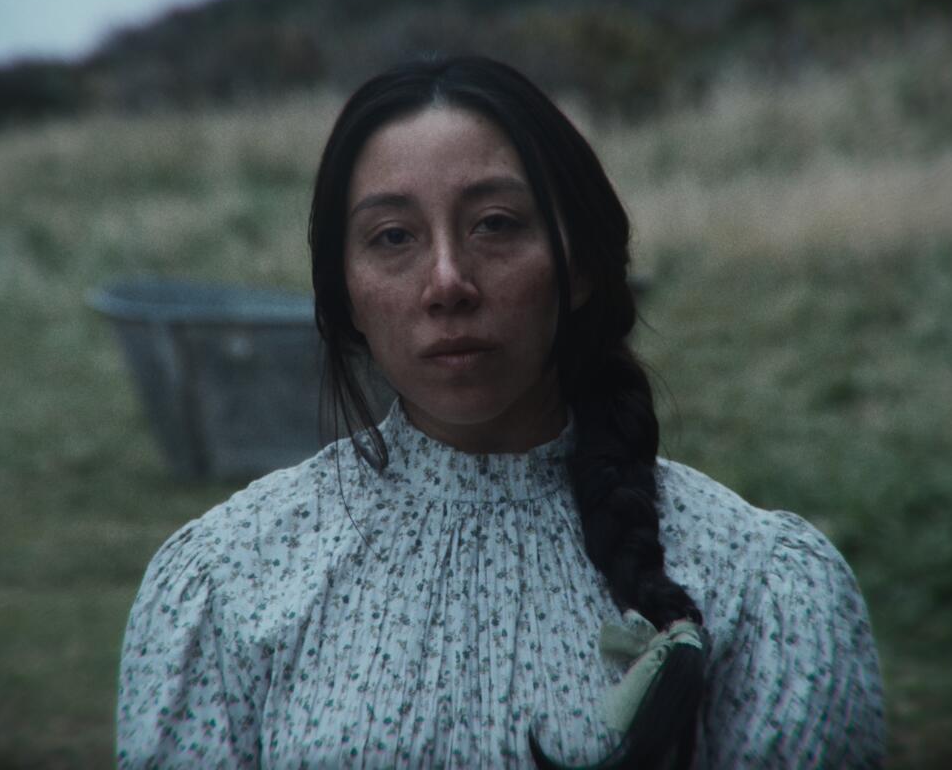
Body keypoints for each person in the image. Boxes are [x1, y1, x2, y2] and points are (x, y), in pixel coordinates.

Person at [116, 56, 885, 768]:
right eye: (393, 237)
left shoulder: (755, 588)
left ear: (580, 264)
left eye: (495, 224)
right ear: (345, 292)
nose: (448, 281)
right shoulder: (232, 581)